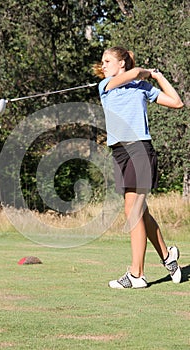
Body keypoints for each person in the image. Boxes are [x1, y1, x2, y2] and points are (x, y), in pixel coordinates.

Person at [93, 46, 184, 288]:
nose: (103, 65)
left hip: (140, 150)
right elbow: (132, 75)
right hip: (119, 152)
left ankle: (136, 275)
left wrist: (158, 77)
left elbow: (177, 103)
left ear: (121, 62)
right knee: (139, 212)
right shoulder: (106, 86)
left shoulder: (142, 87)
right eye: (102, 61)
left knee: (133, 211)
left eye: (108, 61)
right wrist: (143, 72)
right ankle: (168, 256)